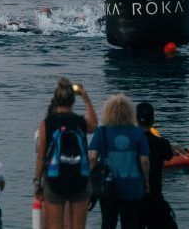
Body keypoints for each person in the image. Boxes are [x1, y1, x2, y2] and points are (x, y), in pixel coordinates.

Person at [34, 78, 97, 229]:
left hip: (55, 179)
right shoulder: (80, 122)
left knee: (55, 226)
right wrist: (87, 100)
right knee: (78, 226)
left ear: (56, 100)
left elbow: (41, 156)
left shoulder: (48, 123)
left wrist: (37, 182)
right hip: (79, 178)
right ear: (73, 101)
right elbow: (94, 126)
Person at [88, 94, 150, 229]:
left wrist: (88, 179)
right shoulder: (138, 132)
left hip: (108, 186)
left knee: (108, 223)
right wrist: (146, 180)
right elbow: (144, 160)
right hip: (133, 185)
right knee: (131, 224)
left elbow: (92, 157)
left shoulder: (101, 132)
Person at [136, 102, 176, 228]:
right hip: (155, 198)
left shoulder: (129, 143)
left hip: (133, 198)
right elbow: (169, 155)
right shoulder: (162, 143)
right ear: (152, 120)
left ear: (135, 120)